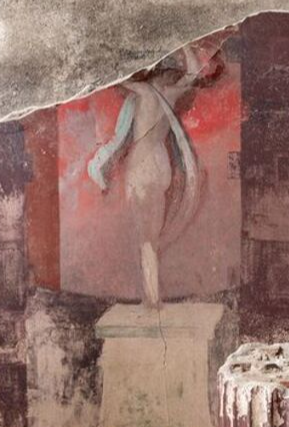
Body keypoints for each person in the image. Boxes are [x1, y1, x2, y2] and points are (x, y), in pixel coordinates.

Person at [87, 45, 219, 307]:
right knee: (152, 238)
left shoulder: (145, 92)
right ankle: (152, 295)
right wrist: (185, 45)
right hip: (161, 166)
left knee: (145, 238)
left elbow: (116, 79)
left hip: (143, 167)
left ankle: (152, 299)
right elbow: (193, 72)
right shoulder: (169, 95)